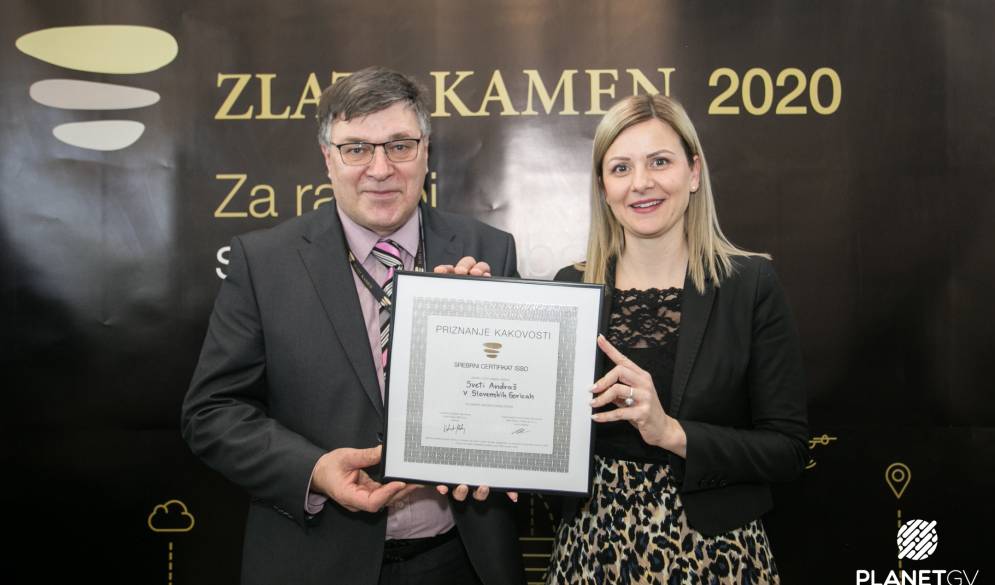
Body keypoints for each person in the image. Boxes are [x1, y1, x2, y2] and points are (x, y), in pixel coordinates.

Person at [182, 67, 525, 585]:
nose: (380, 169)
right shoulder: (263, 262)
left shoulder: (487, 251)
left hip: (460, 560)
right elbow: (211, 412)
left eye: (400, 146)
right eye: (357, 149)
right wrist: (313, 471)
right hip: (315, 563)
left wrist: (480, 326)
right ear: (328, 159)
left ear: (426, 152)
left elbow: (518, 402)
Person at [546, 94, 809, 584]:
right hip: (592, 548)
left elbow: (787, 449)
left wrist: (670, 432)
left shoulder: (749, 286)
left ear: (693, 172)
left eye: (659, 162)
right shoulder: (571, 287)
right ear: (603, 187)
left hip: (715, 553)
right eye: (621, 168)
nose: (641, 183)